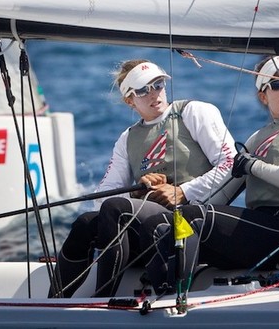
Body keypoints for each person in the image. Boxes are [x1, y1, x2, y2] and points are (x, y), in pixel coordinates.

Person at [50, 59, 238, 298]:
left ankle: (102, 299)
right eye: (142, 90)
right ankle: (53, 300)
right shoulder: (127, 139)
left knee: (116, 207)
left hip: (190, 219)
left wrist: (183, 191)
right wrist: (135, 192)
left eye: (158, 85)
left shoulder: (193, 112)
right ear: (130, 100)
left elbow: (232, 163)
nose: (154, 94)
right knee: (85, 223)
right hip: (147, 222)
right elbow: (102, 196)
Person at [148, 55, 279, 292]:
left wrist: (253, 166)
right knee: (170, 222)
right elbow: (219, 196)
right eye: (277, 84)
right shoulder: (255, 138)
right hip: (259, 229)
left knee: (193, 218)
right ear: (263, 96)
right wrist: (176, 197)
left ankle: (170, 297)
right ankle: (150, 291)